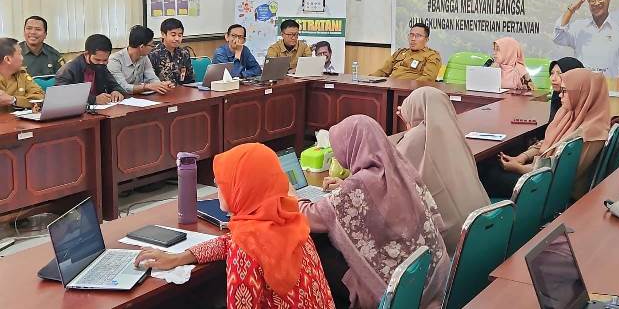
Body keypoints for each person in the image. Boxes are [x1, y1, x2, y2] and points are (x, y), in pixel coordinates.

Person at [134, 143, 335, 309]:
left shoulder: (246, 247)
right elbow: (228, 242)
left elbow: (240, 247)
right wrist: (180, 257)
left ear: (243, 188)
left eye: (224, 182)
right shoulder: (292, 222)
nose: (216, 185)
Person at [298, 115, 449, 309]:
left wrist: (292, 195)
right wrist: (345, 188)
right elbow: (380, 198)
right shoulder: (402, 169)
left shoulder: (358, 185)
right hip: (429, 279)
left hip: (392, 291)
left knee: (317, 251)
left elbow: (308, 217)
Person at [479, 68, 609, 200]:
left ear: (582, 93)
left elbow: (559, 172)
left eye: (565, 91)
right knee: (489, 165)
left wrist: (518, 168)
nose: (560, 95)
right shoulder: (568, 114)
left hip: (550, 189)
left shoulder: (591, 133)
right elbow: (547, 142)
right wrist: (522, 158)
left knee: (486, 174)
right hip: (540, 175)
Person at [395, 87, 490, 255]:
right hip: (482, 224)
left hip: (452, 237)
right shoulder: (454, 131)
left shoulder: (416, 138)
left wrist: (410, 128)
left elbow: (392, 170)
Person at [553, 0, 619, 77]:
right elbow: (557, 37)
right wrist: (571, 9)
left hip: (609, 88)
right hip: (583, 88)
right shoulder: (579, 27)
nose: (596, 3)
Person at [55, 34, 125, 105]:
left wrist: (116, 91)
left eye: (105, 60)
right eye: (97, 60)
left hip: (100, 110)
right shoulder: (68, 70)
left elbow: (114, 85)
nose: (101, 63)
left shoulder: (102, 66)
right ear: (86, 54)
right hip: (76, 112)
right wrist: (93, 100)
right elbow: (62, 96)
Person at [107, 25, 173, 95]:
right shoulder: (114, 60)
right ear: (141, 47)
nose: (153, 48)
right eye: (151, 45)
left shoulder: (144, 57)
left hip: (139, 99)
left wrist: (162, 85)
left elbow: (152, 78)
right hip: (120, 100)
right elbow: (122, 87)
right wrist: (147, 87)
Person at [371, 23, 441, 82]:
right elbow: (383, 71)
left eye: (418, 36)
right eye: (411, 35)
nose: (413, 39)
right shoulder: (399, 53)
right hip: (390, 87)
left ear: (426, 39)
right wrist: (368, 80)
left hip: (410, 92)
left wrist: (408, 86)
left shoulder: (432, 56)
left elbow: (428, 79)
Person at [0, 38, 44, 111]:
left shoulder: (21, 74)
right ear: (7, 59)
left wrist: (14, 100)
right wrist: (25, 100)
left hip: (21, 120)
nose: (22, 58)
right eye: (20, 54)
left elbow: (40, 97)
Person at [148, 18, 194, 85]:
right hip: (161, 92)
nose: (177, 39)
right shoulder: (153, 54)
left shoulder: (184, 53)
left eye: (180, 35)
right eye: (173, 35)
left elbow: (190, 79)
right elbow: (149, 81)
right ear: (163, 34)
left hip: (181, 92)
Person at [548, 57, 584, 122]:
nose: (553, 78)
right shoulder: (557, 95)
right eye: (552, 73)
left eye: (559, 74)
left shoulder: (584, 102)